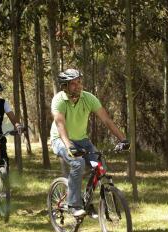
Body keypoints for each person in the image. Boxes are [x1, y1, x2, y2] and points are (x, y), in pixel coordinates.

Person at [50, 68, 129, 217]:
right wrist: (69, 146)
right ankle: (74, 205)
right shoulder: (59, 100)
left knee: (100, 166)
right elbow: (60, 123)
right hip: (60, 139)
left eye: (79, 82)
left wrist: (123, 139)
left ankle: (87, 201)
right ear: (65, 86)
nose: (78, 86)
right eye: (73, 84)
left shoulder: (88, 98)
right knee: (77, 163)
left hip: (82, 140)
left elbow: (106, 120)